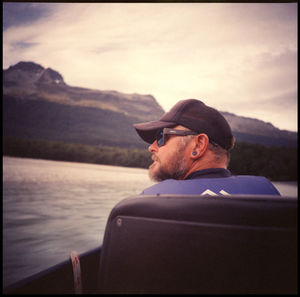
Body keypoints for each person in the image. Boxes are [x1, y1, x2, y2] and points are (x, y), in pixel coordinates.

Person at [133, 99, 280, 196]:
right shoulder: (265, 192)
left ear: (198, 145)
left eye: (161, 136)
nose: (151, 147)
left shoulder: (154, 200)